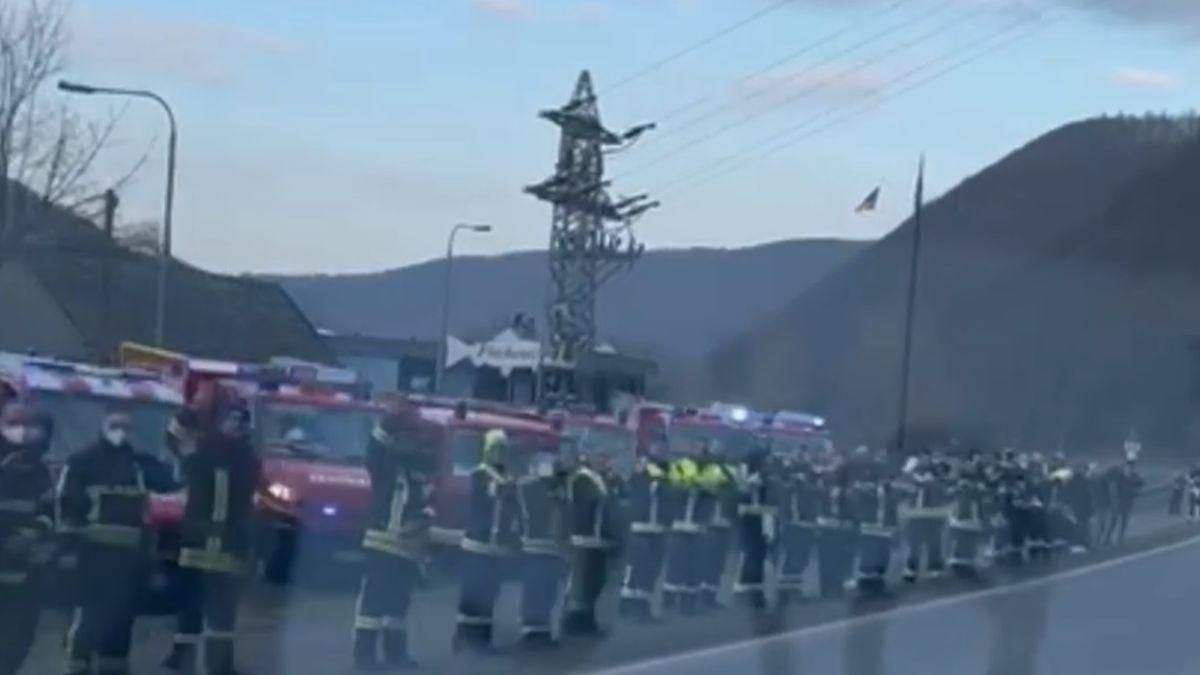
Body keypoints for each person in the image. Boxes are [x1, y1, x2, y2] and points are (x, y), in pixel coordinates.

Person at [59, 407, 177, 675]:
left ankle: (113, 669)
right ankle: (76, 667)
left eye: (126, 427)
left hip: (130, 557)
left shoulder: (139, 464)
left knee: (122, 617)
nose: (121, 432)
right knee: (89, 614)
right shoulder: (82, 462)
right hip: (93, 552)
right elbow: (67, 507)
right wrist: (67, 548)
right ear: (103, 425)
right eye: (115, 425)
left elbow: (171, 485)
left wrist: (181, 442)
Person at [162, 385, 261, 675]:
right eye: (232, 419)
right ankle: (182, 658)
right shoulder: (202, 449)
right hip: (197, 544)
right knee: (191, 605)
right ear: (219, 421)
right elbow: (173, 438)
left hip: (230, 546)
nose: (237, 426)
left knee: (223, 613)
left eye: (242, 421)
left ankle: (219, 665)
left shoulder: (246, 459)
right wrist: (191, 411)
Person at [354, 400, 431, 670]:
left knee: (398, 608)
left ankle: (395, 655)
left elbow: (424, 506)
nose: (412, 441)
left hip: (408, 548)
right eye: (408, 435)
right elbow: (374, 449)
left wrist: (423, 524)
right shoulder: (385, 465)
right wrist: (388, 420)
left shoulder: (418, 471)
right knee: (372, 606)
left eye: (415, 436)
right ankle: (364, 659)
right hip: (382, 543)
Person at [454, 429, 520, 653]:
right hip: (477, 545)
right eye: (496, 449)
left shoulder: (508, 477)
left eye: (503, 449)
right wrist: (508, 488)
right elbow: (491, 493)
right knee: (473, 592)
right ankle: (463, 638)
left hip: (496, 548)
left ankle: (482, 639)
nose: (500, 454)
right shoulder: (479, 474)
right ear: (487, 451)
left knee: (490, 594)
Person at [0, 405, 54, 675]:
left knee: (18, 641)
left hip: (26, 577)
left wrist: (32, 535)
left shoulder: (45, 478)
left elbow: (52, 516)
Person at [516, 450, 569, 648]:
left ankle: (542, 632)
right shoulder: (529, 486)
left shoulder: (558, 492)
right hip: (533, 549)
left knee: (548, 592)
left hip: (552, 550)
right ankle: (530, 633)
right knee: (534, 591)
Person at [563, 448, 615, 637]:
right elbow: (592, 503)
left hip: (597, 540)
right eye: (600, 456)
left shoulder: (598, 478)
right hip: (584, 538)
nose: (604, 461)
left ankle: (587, 619)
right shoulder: (582, 478)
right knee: (580, 581)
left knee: (594, 582)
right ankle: (572, 621)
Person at [618, 451, 669, 622]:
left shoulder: (658, 479)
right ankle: (631, 606)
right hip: (642, 529)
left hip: (654, 530)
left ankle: (637, 606)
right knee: (637, 570)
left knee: (646, 571)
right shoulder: (640, 480)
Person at [661, 448, 708, 615]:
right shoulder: (677, 479)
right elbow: (669, 494)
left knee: (693, 568)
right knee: (675, 565)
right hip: (679, 527)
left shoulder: (706, 481)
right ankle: (669, 599)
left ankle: (687, 603)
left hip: (696, 529)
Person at [731, 446, 775, 608]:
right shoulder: (748, 476)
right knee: (750, 555)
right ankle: (743, 590)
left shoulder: (765, 477)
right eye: (765, 460)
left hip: (761, 521)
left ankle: (756, 592)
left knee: (759, 556)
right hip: (749, 521)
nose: (768, 463)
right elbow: (742, 496)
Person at [775, 455, 819, 607]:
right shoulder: (796, 487)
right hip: (797, 526)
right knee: (795, 559)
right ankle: (787, 592)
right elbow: (800, 506)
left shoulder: (792, 486)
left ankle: (790, 590)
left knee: (797, 560)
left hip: (798, 526)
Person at [901, 452, 950, 581]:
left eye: (925, 470)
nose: (922, 473)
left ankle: (932, 567)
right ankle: (913, 568)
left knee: (931, 543)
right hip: (918, 517)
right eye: (920, 470)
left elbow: (942, 497)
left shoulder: (935, 483)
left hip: (930, 517)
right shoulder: (914, 483)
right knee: (916, 544)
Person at [699, 445, 736, 610]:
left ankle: (710, 596)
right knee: (708, 563)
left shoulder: (727, 473)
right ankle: (704, 596)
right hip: (710, 525)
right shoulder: (706, 471)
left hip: (723, 525)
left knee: (718, 565)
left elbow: (733, 492)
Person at [814, 457, 855, 599]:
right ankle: (830, 587)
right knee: (833, 558)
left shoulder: (833, 489)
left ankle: (829, 587)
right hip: (834, 527)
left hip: (832, 527)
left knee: (830, 558)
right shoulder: (843, 491)